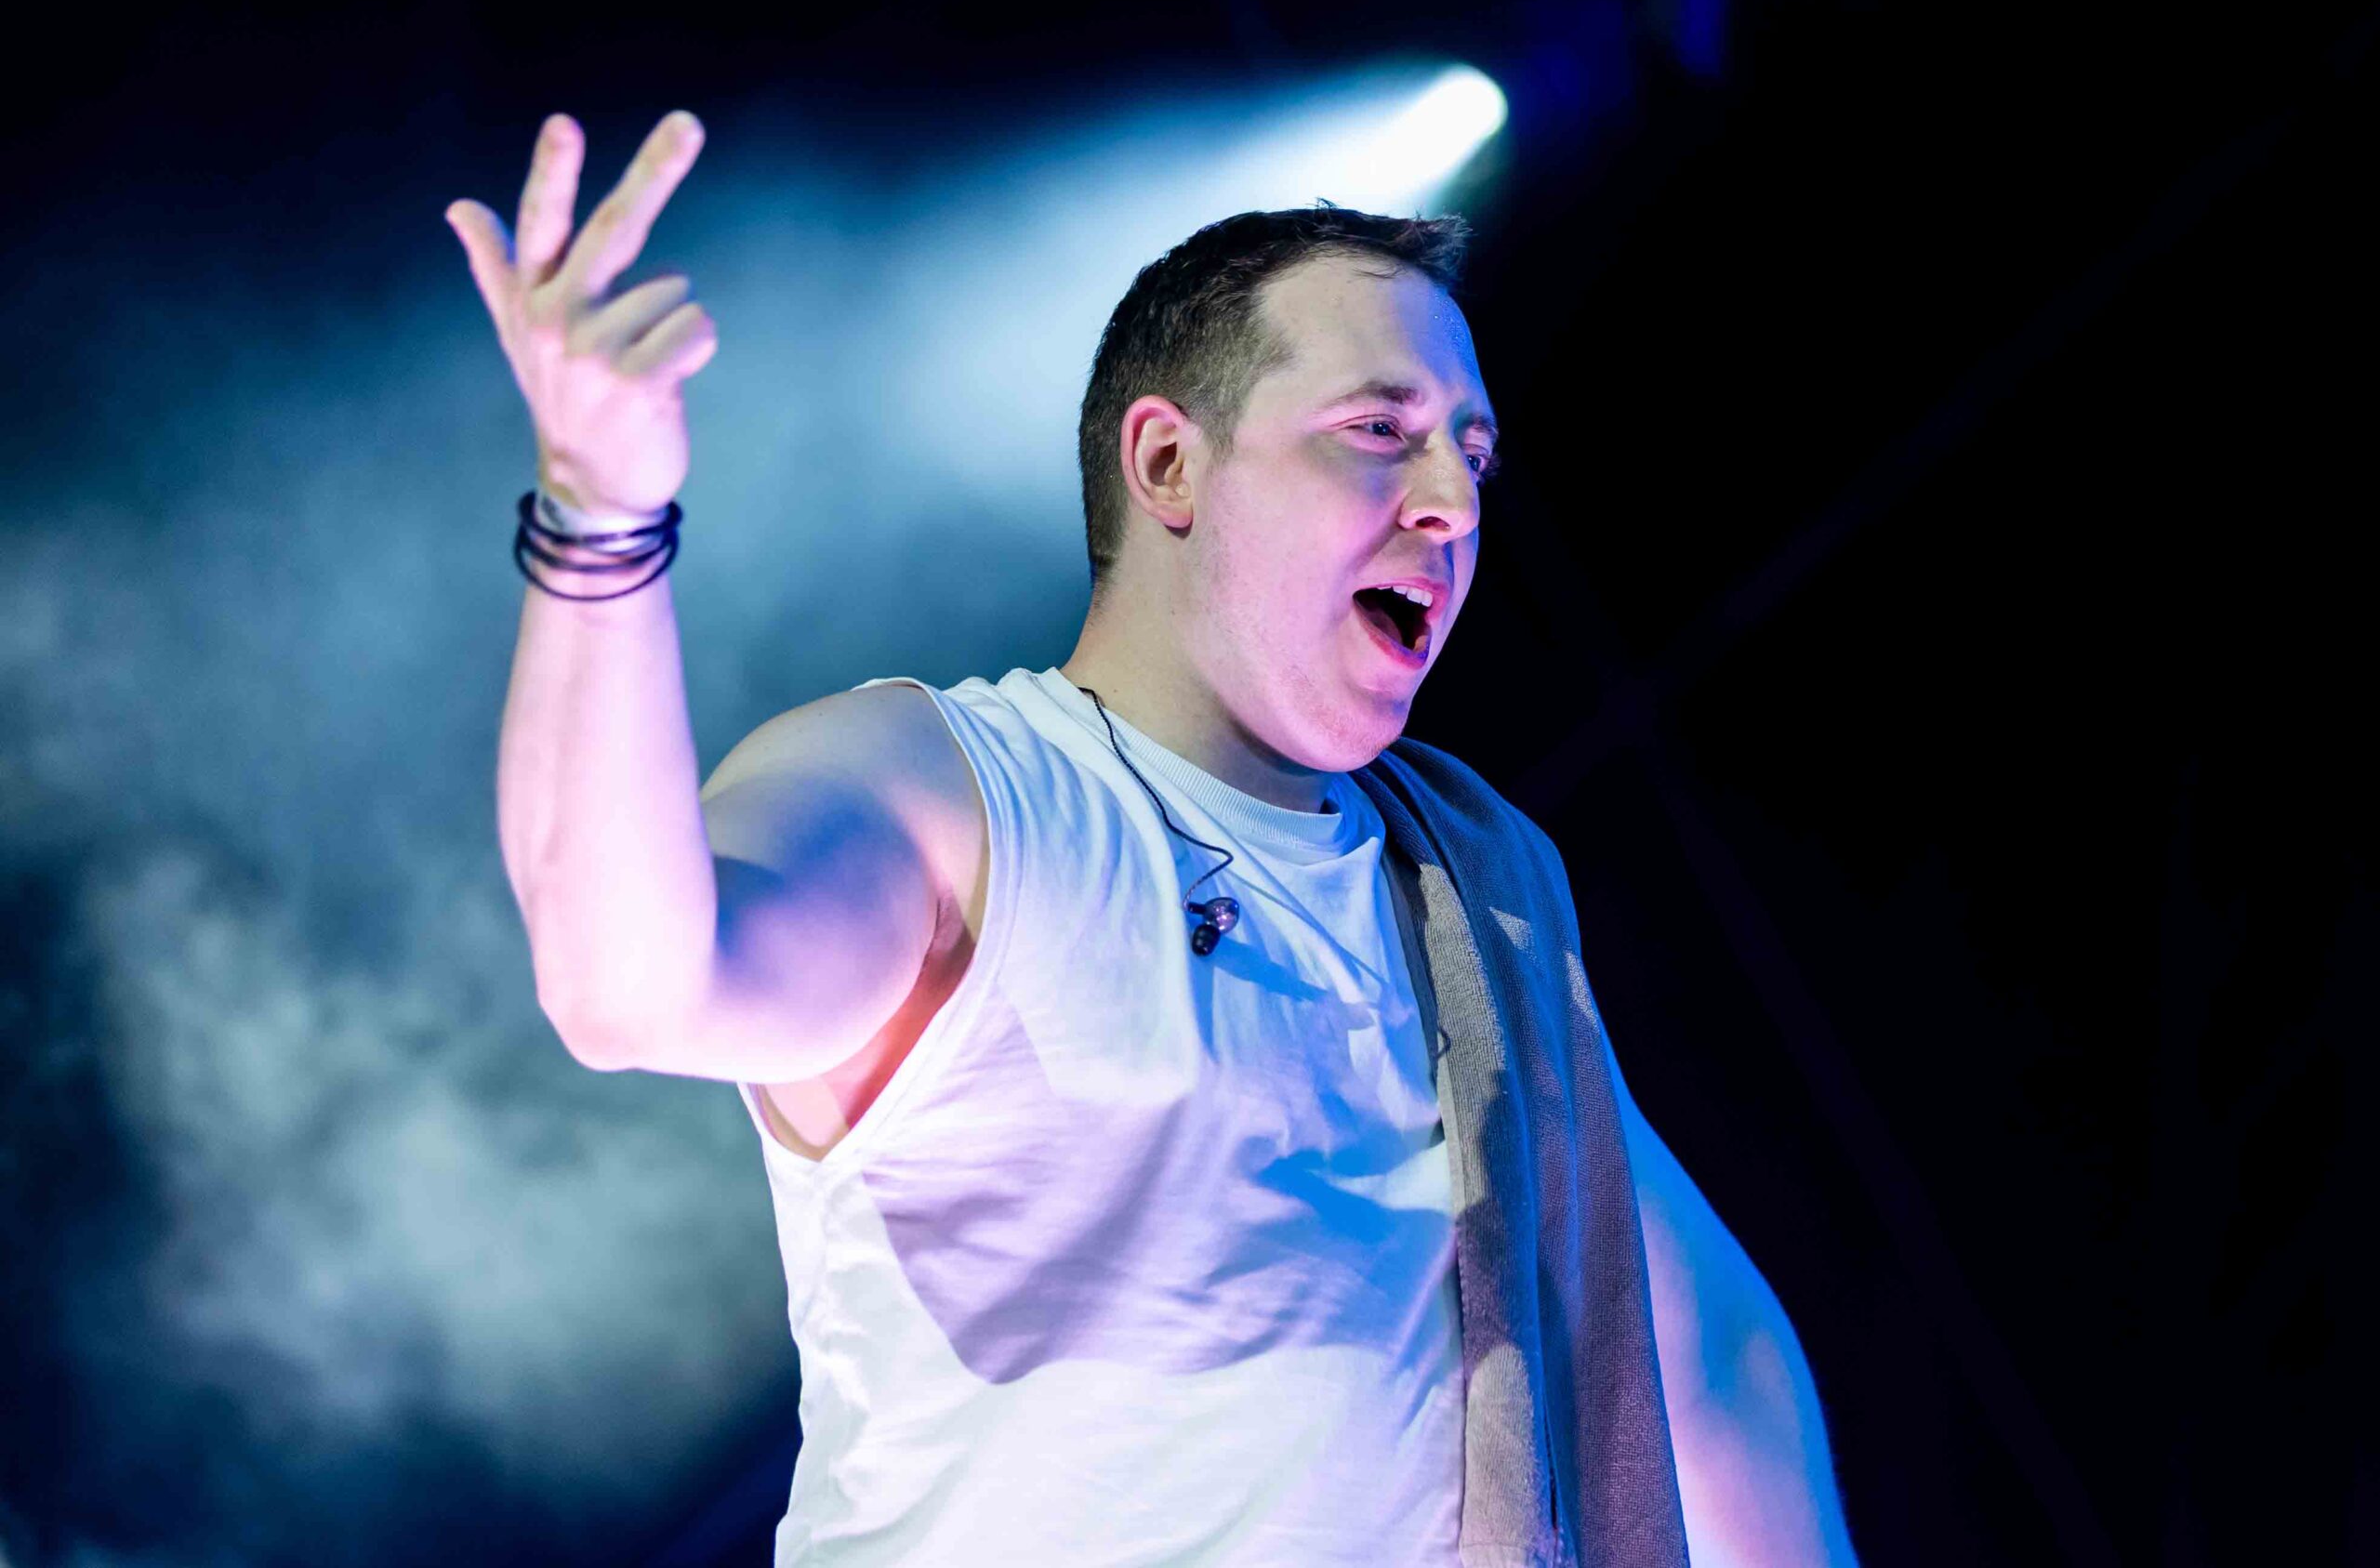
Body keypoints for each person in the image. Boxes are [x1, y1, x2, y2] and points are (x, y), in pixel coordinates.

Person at [448, 108, 1858, 1566]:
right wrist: (601, 521)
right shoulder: (959, 794)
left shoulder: (1475, 899)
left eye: (1472, 456)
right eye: (1380, 433)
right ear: (1170, 465)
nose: (1450, 503)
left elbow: (1707, 1361)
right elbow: (630, 989)